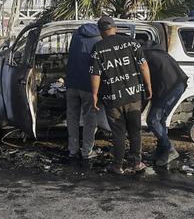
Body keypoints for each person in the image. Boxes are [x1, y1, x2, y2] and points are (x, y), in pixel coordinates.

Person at [90, 16, 153, 175]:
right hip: (133, 95)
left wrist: (95, 94)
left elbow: (95, 75)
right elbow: (144, 65)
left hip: (113, 97)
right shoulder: (132, 43)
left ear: (100, 32)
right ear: (115, 28)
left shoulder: (98, 48)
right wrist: (148, 86)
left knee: (118, 132)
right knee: (135, 130)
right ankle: (136, 163)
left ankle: (117, 165)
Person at [143, 40, 188, 166]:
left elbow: (145, 84)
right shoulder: (156, 52)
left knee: (152, 120)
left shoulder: (144, 56)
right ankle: (161, 151)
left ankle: (169, 149)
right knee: (161, 119)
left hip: (170, 87)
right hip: (176, 84)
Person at [65, 23, 101, 160]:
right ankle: (87, 151)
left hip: (72, 84)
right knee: (89, 119)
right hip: (89, 86)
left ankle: (73, 149)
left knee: (72, 118)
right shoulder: (99, 40)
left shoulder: (76, 36)